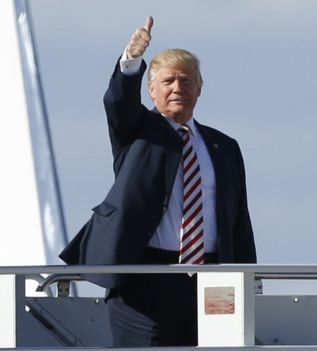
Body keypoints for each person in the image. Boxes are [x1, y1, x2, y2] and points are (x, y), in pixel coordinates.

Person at [59, 16, 256, 347]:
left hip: (211, 281)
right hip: (145, 279)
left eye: (186, 81)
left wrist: (247, 280)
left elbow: (237, 219)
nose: (178, 88)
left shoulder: (224, 147)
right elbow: (118, 103)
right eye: (168, 82)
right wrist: (131, 60)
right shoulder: (138, 132)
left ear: (199, 89)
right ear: (151, 89)